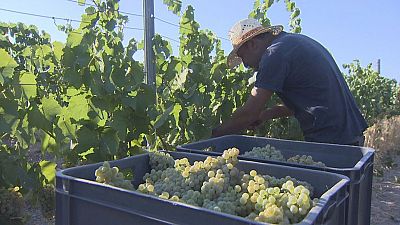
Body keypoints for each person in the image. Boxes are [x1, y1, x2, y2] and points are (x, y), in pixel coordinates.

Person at [211, 18, 367, 146]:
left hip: (330, 140)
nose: (246, 66)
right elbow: (303, 104)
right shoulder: (294, 42)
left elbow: (248, 114)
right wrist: (265, 114)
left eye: (243, 57)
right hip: (350, 136)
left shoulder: (274, 54)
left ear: (252, 44)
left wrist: (214, 136)